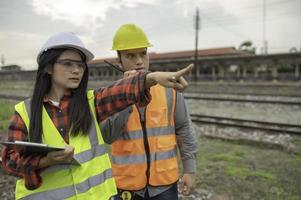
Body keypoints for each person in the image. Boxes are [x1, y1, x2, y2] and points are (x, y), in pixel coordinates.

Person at [1, 32, 193, 200]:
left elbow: (121, 91)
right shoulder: (25, 112)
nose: (76, 70)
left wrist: (152, 78)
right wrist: (46, 161)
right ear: (48, 67)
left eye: (80, 65)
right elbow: (9, 161)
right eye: (67, 64)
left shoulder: (92, 102)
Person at [101, 24, 198, 200]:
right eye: (130, 55)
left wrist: (190, 170)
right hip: (126, 187)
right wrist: (126, 94)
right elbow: (108, 135)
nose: (138, 61)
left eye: (143, 54)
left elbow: (184, 130)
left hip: (164, 186)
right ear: (119, 61)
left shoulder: (170, 90)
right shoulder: (111, 95)